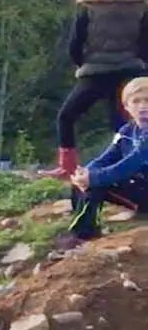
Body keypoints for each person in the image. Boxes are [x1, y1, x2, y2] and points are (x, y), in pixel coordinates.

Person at [53, 0, 148, 176]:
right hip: (129, 71)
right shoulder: (140, 5)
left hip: (95, 72)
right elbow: (145, 41)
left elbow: (75, 43)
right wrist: (140, 66)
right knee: (126, 123)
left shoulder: (89, 5)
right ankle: (135, 167)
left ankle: (67, 167)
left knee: (66, 116)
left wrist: (82, 64)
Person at [62, 76, 148, 247]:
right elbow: (107, 158)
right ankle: (82, 225)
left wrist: (93, 178)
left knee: (95, 183)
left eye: (147, 100)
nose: (143, 106)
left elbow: (131, 163)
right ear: (127, 107)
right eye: (136, 101)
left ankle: (84, 236)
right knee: (83, 180)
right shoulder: (127, 130)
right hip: (140, 186)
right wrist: (85, 173)